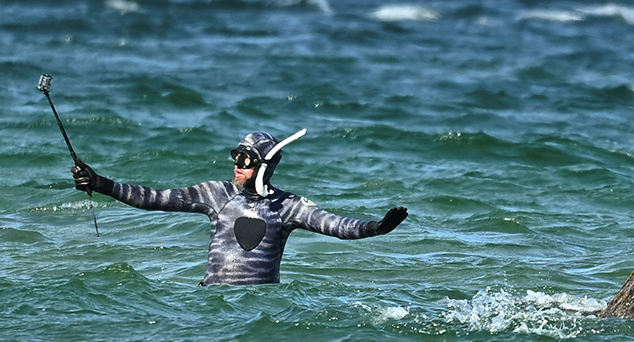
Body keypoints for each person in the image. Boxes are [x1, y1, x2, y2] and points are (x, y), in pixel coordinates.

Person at [71, 130, 408, 286]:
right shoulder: (216, 194)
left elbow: (336, 225)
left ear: (264, 165)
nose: (237, 165)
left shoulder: (288, 206)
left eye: (246, 159)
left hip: (259, 306)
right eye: (236, 156)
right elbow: (154, 198)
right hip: (212, 300)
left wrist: (376, 228)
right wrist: (101, 183)